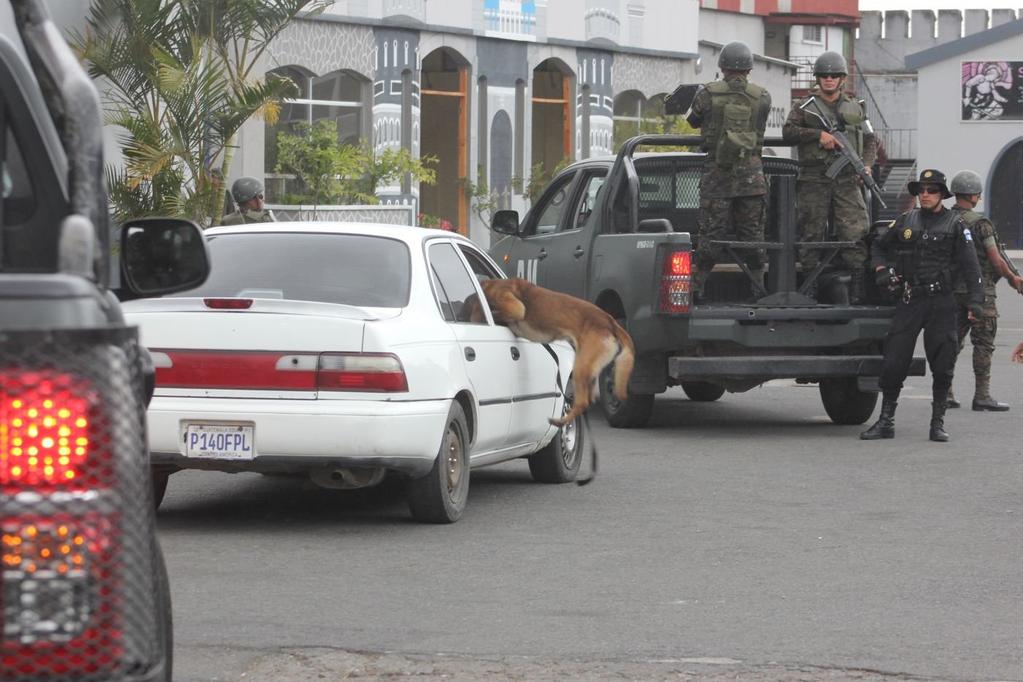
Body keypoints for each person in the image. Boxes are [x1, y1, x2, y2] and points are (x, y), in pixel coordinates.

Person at [860, 169, 983, 443]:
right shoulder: (906, 220)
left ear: (942, 194)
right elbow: (878, 246)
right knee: (894, 362)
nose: (925, 195)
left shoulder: (956, 225)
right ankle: (885, 421)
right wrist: (882, 269)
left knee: (943, 364)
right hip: (910, 299)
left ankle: (937, 423)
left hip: (942, 303)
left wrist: (976, 301)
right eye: (921, 190)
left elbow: (971, 266)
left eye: (931, 190)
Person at [783, 51, 877, 303]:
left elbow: (870, 140)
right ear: (818, 78)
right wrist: (817, 136)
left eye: (834, 75)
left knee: (855, 233)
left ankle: (857, 289)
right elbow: (788, 132)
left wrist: (866, 166)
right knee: (811, 233)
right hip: (814, 178)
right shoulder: (803, 106)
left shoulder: (856, 107)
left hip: (847, 180)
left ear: (842, 79)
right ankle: (810, 288)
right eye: (824, 75)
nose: (828, 79)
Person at [685, 41, 772, 301]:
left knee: (710, 235)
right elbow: (760, 128)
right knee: (752, 236)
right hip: (752, 177)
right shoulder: (762, 96)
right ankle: (758, 289)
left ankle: (698, 290)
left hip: (717, 175)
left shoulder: (708, 94)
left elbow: (692, 121)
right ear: (749, 68)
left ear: (722, 66)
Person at [945, 169, 1023, 412]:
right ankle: (982, 396)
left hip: (951, 292)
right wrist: (1014, 279)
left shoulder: (945, 221)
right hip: (981, 292)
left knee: (951, 343)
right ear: (975, 195)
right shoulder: (981, 224)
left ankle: (945, 393)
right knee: (983, 344)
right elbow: (996, 258)